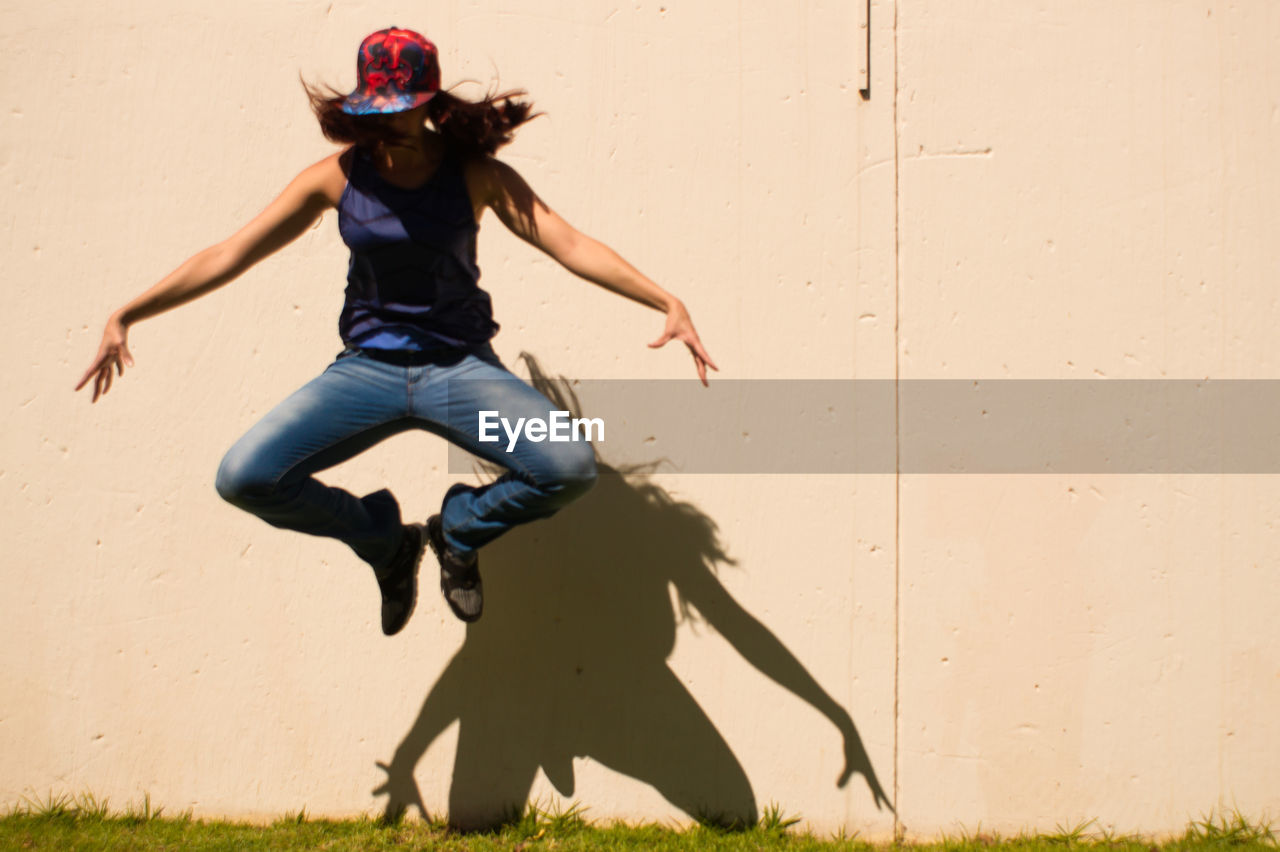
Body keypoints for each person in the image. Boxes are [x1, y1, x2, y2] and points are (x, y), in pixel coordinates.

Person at [75, 26, 717, 636]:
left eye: (402, 104)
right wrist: (129, 313)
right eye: (377, 104)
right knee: (245, 476)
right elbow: (232, 252)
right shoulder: (339, 176)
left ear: (429, 102)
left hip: (460, 373)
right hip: (366, 374)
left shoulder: (474, 175)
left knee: (568, 467)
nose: (387, 117)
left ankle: (457, 532)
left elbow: (569, 242)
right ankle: (385, 539)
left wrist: (664, 299)